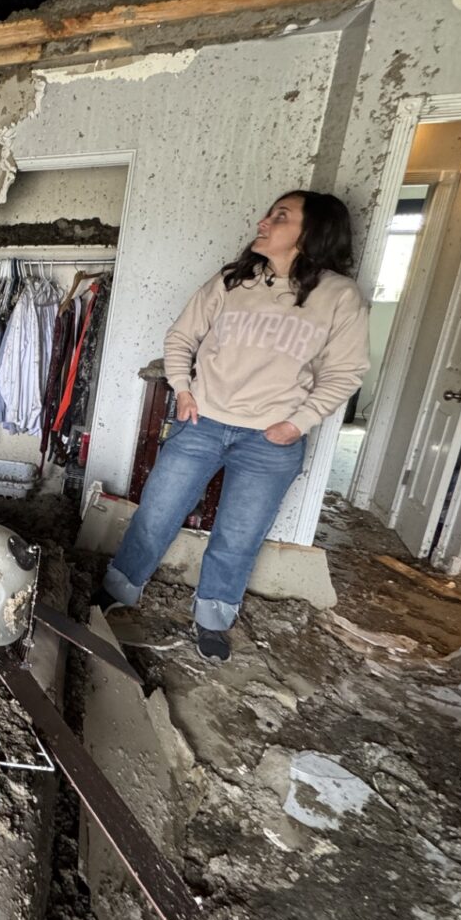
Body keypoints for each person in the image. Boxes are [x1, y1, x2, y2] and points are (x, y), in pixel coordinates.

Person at [93, 191, 370, 661]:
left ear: (313, 232)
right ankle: (119, 589)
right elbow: (181, 337)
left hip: (270, 442)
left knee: (239, 536)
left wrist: (298, 424)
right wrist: (183, 390)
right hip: (202, 423)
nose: (263, 221)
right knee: (156, 513)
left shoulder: (339, 297)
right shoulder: (232, 281)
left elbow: (346, 372)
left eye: (280, 216)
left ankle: (213, 618)